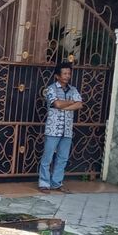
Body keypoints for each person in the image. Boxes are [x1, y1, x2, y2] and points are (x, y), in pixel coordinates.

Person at [38, 62, 83, 194]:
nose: (67, 76)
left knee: (63, 158)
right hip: (53, 129)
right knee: (48, 157)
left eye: (69, 73)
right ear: (57, 75)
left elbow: (79, 105)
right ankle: (44, 183)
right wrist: (70, 102)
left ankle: (56, 183)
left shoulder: (73, 89)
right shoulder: (51, 89)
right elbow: (56, 104)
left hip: (67, 130)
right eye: (64, 73)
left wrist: (64, 105)